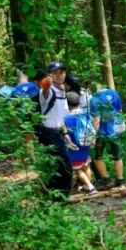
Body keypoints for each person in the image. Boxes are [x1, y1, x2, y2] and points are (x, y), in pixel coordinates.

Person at [35, 61, 72, 199]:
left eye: (61, 72)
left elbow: (61, 115)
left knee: (57, 166)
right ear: (49, 75)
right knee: (64, 165)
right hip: (49, 134)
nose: (59, 75)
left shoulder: (62, 90)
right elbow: (45, 91)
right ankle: (60, 197)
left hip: (58, 133)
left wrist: (65, 133)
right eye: (55, 73)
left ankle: (54, 195)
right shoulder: (49, 90)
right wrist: (45, 84)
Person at [91, 84, 126, 188]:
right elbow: (119, 112)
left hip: (101, 133)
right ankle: (120, 180)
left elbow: (97, 120)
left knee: (97, 156)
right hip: (115, 130)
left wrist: (93, 134)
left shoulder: (94, 99)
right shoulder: (114, 94)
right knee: (117, 156)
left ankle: (106, 179)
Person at [63, 92, 98, 195]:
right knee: (86, 165)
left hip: (75, 145)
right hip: (86, 142)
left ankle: (91, 187)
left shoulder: (67, 117)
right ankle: (87, 185)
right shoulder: (86, 113)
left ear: (67, 103)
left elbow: (67, 133)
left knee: (77, 169)